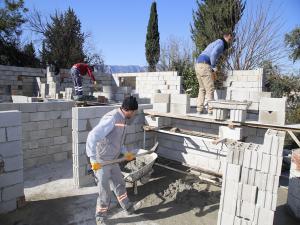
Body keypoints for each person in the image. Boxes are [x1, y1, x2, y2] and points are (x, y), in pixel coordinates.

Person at [86, 96, 140, 225]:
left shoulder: (123, 120)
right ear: (129, 110)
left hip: (113, 160)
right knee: (104, 192)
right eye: (133, 112)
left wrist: (126, 153)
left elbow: (117, 141)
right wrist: (92, 159)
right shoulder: (112, 118)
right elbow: (92, 136)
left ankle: (127, 206)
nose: (133, 115)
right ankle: (100, 217)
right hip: (102, 161)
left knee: (119, 183)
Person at [195, 32, 233, 114]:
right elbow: (214, 54)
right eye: (230, 38)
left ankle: (199, 109)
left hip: (198, 64)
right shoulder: (221, 43)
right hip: (205, 64)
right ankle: (211, 110)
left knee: (202, 88)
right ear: (228, 36)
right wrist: (213, 67)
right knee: (210, 88)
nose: (230, 41)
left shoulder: (216, 42)